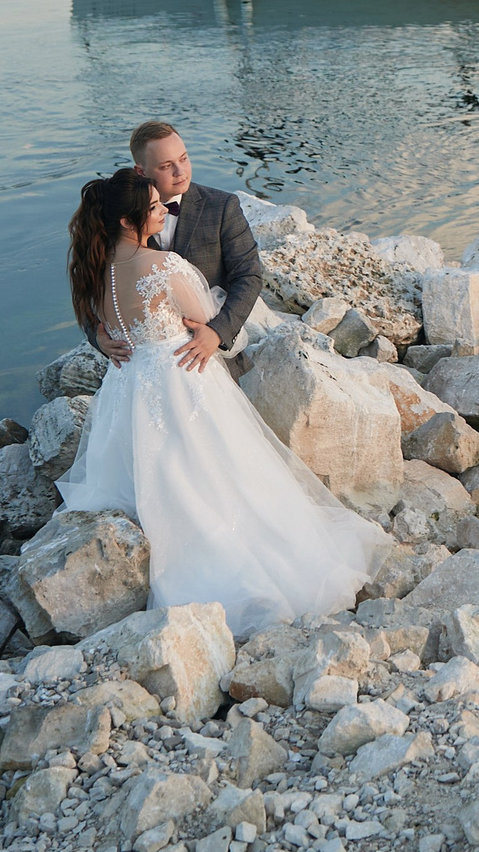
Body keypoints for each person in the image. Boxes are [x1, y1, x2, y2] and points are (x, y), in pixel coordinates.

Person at [58, 166, 390, 629]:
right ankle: (237, 565)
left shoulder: (95, 271)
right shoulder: (164, 267)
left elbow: (105, 324)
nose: (163, 210)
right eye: (153, 207)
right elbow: (205, 315)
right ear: (127, 221)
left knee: (156, 468)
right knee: (219, 466)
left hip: (128, 384)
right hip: (180, 374)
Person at [98, 120, 259, 372]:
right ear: (140, 171)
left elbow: (249, 275)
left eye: (183, 159)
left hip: (212, 355)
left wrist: (218, 332)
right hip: (143, 364)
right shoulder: (119, 216)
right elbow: (90, 278)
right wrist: (98, 337)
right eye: (166, 166)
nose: (180, 171)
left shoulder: (222, 206)